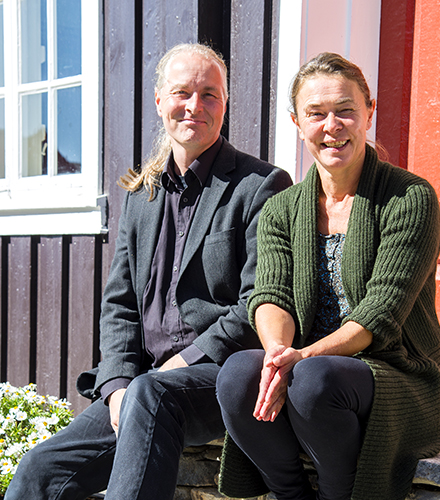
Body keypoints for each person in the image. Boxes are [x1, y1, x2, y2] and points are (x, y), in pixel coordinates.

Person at [5, 43, 292, 500]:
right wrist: (117, 384)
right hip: (142, 381)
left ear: (224, 103)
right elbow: (119, 303)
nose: (195, 106)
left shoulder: (261, 186)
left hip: (214, 378)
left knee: (151, 395)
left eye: (209, 94)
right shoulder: (144, 194)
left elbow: (256, 303)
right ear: (159, 102)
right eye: (182, 92)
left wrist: (181, 363)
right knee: (40, 470)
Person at [216, 52, 440, 500]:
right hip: (310, 369)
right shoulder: (283, 207)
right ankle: (291, 494)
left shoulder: (409, 197)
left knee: (315, 380)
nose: (332, 125)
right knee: (238, 375)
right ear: (297, 122)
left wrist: (303, 359)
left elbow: (380, 313)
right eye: (316, 114)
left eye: (345, 110)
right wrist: (280, 355)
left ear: (369, 112)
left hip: (394, 373)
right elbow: (271, 295)